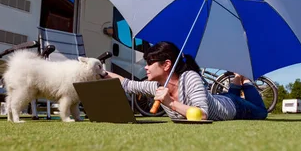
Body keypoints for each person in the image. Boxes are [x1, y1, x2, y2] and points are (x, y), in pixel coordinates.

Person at [103, 41, 267, 121]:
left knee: (261, 113)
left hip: (233, 107)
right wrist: (99, 72)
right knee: (234, 94)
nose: (146, 68)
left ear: (166, 64)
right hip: (221, 98)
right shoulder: (156, 86)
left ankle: (245, 80)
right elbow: (127, 84)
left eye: (149, 63)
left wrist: (170, 103)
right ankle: (237, 78)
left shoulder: (190, 77)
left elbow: (202, 115)